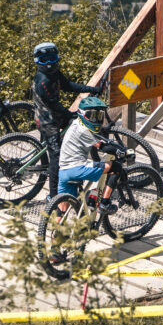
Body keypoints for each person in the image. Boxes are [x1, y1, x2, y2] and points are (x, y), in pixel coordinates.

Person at [32, 42, 101, 201]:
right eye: (44, 60)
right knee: (56, 158)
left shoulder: (54, 74)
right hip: (47, 121)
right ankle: (53, 196)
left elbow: (69, 85)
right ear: (38, 61)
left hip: (56, 116)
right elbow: (52, 104)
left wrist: (90, 89)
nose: (49, 63)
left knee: (76, 130)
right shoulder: (42, 81)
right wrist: (70, 113)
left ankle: (74, 172)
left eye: (52, 58)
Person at [55, 96, 123, 214]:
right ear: (83, 114)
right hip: (77, 168)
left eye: (99, 116)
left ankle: (57, 226)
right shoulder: (84, 130)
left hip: (63, 171)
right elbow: (104, 147)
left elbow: (95, 134)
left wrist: (104, 130)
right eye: (92, 116)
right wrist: (122, 151)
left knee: (62, 211)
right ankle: (105, 203)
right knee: (116, 167)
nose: (96, 120)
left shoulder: (75, 123)